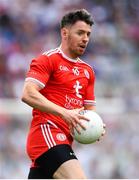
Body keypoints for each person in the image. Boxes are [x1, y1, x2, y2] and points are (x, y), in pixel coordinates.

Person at [21, 9, 105, 179]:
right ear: (65, 33)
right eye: (80, 33)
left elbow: (90, 110)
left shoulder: (88, 71)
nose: (85, 39)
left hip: (65, 140)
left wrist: (96, 126)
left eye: (88, 34)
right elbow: (28, 94)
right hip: (46, 134)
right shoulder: (48, 59)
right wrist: (64, 113)